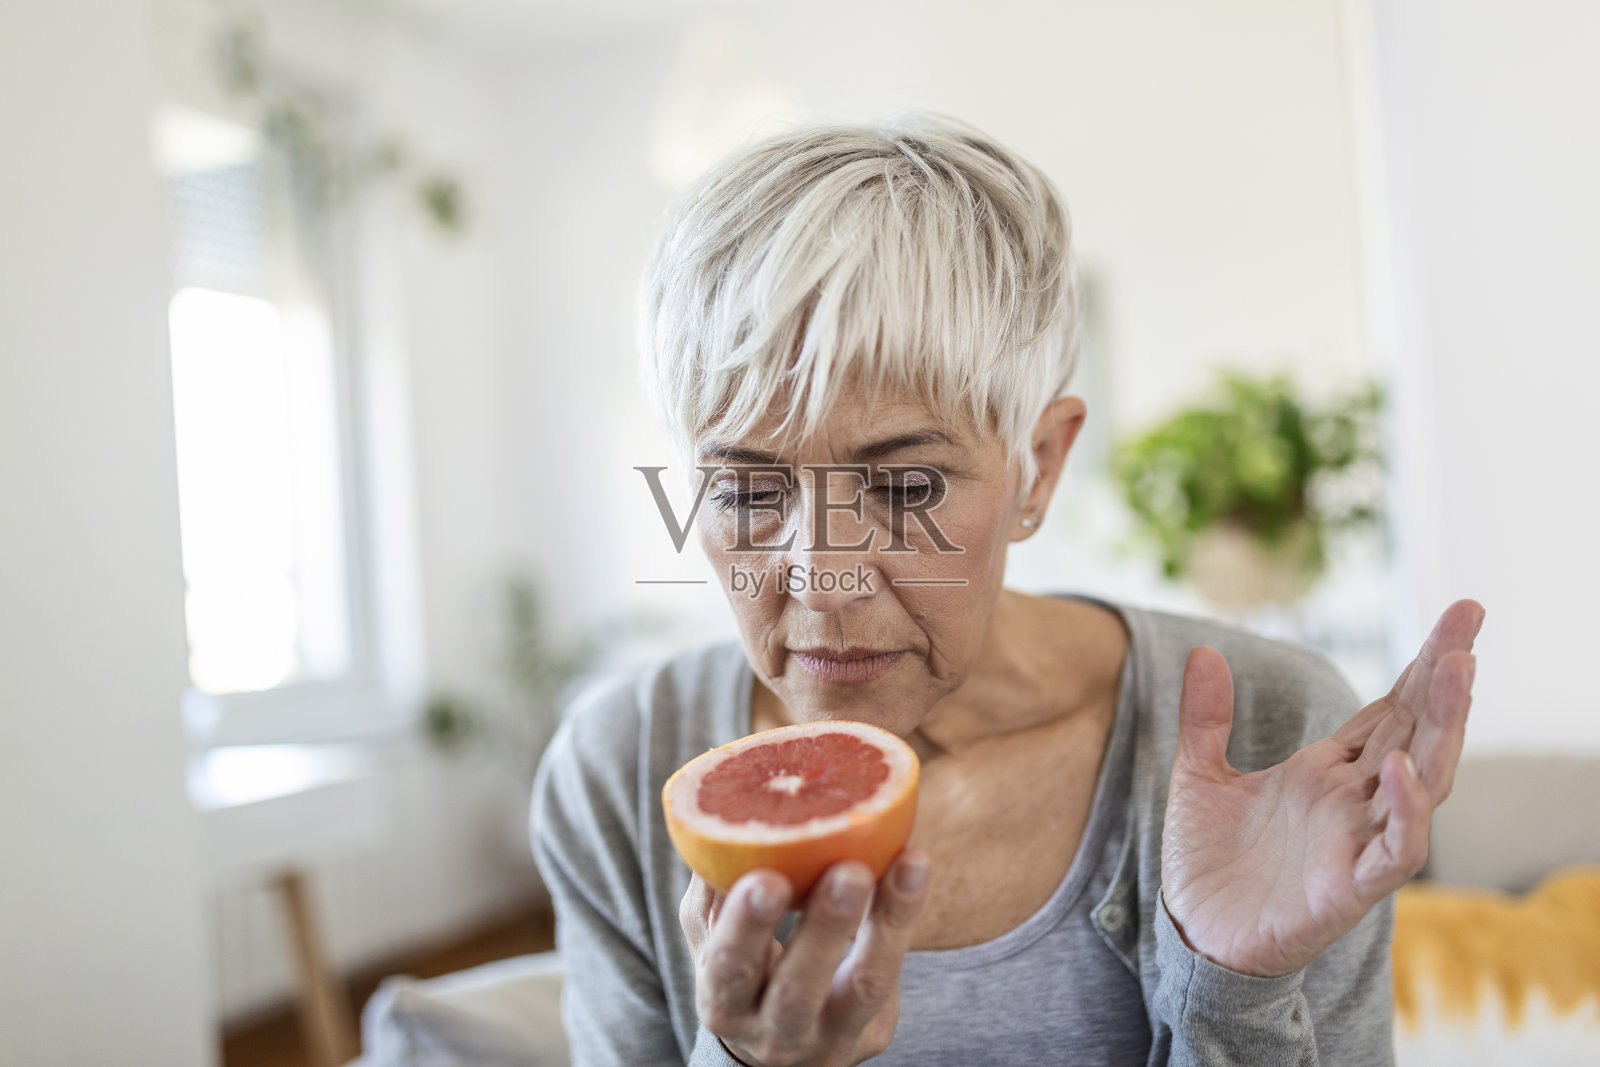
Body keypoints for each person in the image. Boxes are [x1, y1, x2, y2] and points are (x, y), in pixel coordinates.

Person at [531, 112, 1484, 1066]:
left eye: (906, 487)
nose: (823, 577)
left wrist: (1235, 995)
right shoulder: (622, 772)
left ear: (1039, 464)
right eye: (743, 489)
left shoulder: (1277, 730)